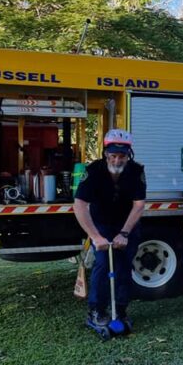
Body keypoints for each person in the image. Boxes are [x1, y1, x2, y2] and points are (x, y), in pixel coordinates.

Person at [73, 129, 146, 339]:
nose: (117, 159)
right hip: (101, 225)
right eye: (113, 155)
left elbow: (139, 205)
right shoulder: (93, 171)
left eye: (122, 156)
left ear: (128, 154)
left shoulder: (136, 171)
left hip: (126, 225)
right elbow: (79, 205)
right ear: (106, 153)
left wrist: (124, 233)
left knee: (124, 266)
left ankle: (120, 311)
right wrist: (95, 237)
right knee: (103, 264)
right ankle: (96, 311)